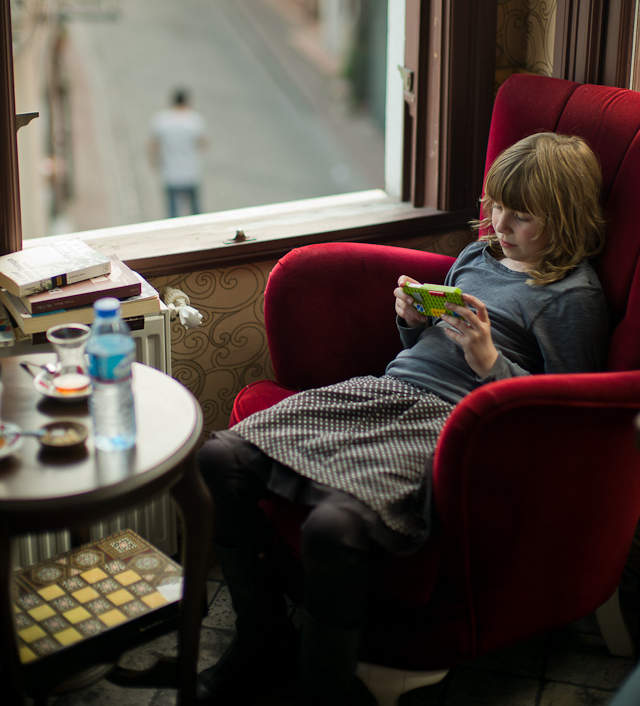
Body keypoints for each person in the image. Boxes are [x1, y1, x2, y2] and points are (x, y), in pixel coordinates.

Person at [196, 132, 609, 706]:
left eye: (521, 216)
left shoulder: (571, 296)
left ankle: (323, 688)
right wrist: (413, 319)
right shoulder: (479, 255)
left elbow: (570, 414)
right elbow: (426, 345)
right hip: (387, 390)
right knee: (217, 458)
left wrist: (490, 362)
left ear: (564, 219)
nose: (498, 224)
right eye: (495, 208)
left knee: (332, 529)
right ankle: (260, 637)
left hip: (451, 425)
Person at [149, 89, 207, 218]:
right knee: (196, 212)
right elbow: (202, 143)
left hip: (170, 171)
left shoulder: (162, 119)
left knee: (172, 213)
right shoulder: (194, 120)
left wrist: (155, 163)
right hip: (191, 171)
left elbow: (153, 145)